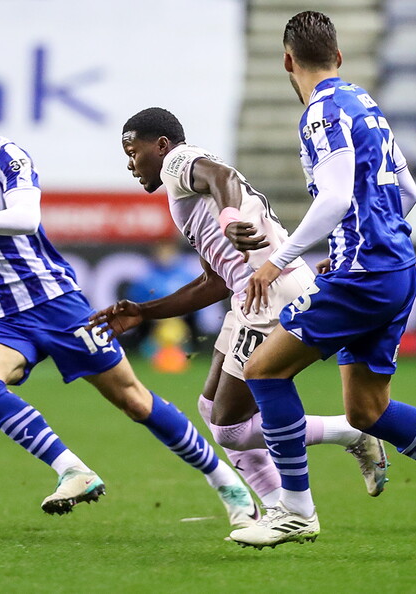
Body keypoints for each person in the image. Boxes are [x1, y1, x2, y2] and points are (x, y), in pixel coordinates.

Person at [0, 67, 256, 527]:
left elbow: (26, 216)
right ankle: (72, 469)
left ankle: (226, 483)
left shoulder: (7, 157)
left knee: (134, 400)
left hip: (54, 302)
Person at [227, 11, 416, 557]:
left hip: (365, 275)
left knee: (263, 370)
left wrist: (279, 260)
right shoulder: (364, 104)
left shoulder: (320, 113)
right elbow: (406, 190)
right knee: (367, 410)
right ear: (337, 57)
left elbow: (336, 198)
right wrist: (351, 248)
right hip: (391, 269)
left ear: (287, 61)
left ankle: (295, 512)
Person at [89, 107, 389, 513]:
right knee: (210, 410)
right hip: (249, 295)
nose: (130, 163)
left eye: (133, 151)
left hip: (271, 293)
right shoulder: (186, 195)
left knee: (230, 428)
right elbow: (214, 281)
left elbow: (222, 177)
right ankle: (273, 507)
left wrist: (230, 218)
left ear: (160, 146)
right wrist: (145, 311)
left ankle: (347, 434)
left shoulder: (179, 161)